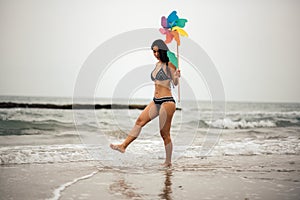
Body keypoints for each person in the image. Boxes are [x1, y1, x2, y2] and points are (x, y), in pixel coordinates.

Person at [110, 39, 181, 167]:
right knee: (139, 122)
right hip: (156, 101)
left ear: (162, 50)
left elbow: (175, 82)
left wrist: (176, 75)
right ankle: (123, 146)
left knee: (164, 134)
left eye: (157, 51)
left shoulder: (169, 64)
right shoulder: (157, 64)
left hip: (167, 102)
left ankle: (168, 162)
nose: (155, 54)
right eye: (153, 52)